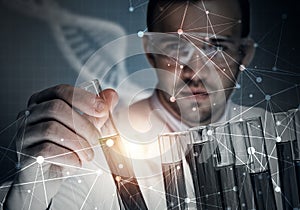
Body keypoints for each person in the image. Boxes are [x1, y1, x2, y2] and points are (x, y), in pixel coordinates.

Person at [2, 0, 282, 209]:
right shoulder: (97, 150)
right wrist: (30, 192)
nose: (195, 71)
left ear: (244, 54)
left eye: (217, 48)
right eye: (175, 47)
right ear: (150, 51)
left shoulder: (280, 139)